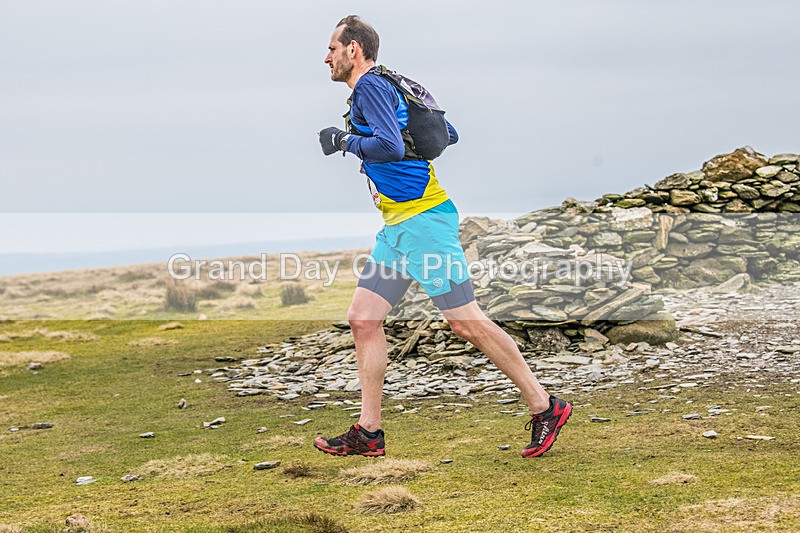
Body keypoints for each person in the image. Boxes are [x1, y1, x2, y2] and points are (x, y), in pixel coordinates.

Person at [314, 15, 571, 459]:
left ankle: (545, 406)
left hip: (424, 223)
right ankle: (369, 432)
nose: (327, 57)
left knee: (465, 321)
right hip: (398, 226)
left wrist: (342, 140)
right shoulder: (393, 84)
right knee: (364, 319)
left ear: (353, 49)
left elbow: (391, 147)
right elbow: (446, 134)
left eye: (332, 48)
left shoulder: (371, 87)